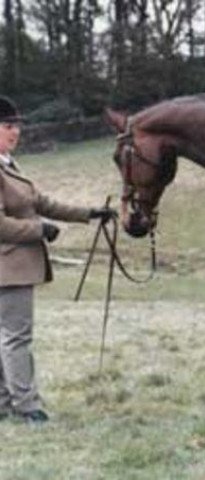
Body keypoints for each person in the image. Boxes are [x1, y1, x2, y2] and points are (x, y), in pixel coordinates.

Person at [0, 96, 115, 424]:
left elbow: (42, 202)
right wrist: (40, 230)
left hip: (12, 266)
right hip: (9, 267)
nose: (16, 132)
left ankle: (5, 403)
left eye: (17, 125)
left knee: (5, 337)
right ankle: (26, 406)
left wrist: (89, 214)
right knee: (16, 337)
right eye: (8, 126)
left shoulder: (9, 165)